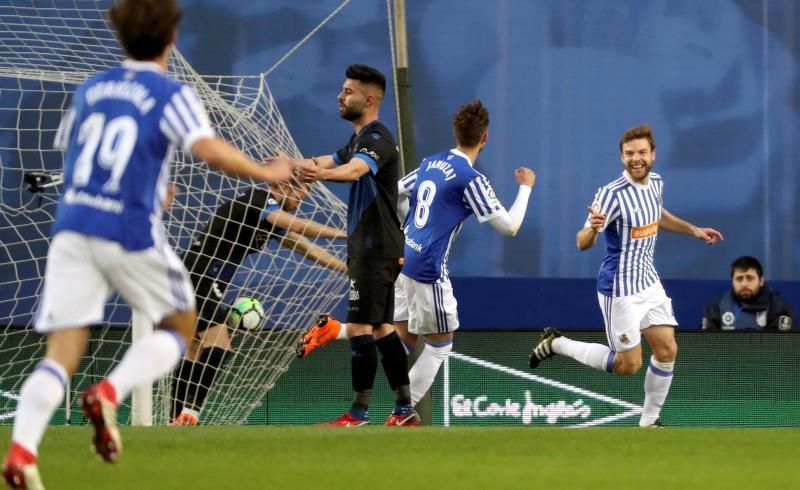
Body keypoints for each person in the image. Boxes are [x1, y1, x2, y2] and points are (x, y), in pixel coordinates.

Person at [0, 1, 291, 488]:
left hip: (73, 227)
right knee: (181, 324)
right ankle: (108, 393)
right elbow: (208, 149)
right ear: (172, 38)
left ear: (121, 36)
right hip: (128, 228)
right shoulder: (170, 93)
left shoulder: (92, 89)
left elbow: (86, 162)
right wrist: (266, 173)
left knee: (61, 352)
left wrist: (150, 189)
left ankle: (22, 452)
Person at [297, 100, 536, 410]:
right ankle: (403, 414)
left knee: (403, 338)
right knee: (439, 345)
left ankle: (335, 330)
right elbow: (510, 226)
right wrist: (525, 187)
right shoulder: (470, 178)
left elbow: (397, 191)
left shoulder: (431, 163)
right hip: (427, 268)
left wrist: (407, 229)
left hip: (403, 256)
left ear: (455, 131)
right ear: (485, 137)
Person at [529, 123, 723, 428]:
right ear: (621, 157)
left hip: (649, 281)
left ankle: (649, 421)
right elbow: (581, 242)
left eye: (642, 152)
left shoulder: (656, 182)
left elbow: (657, 215)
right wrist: (593, 228)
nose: (636, 158)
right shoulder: (611, 194)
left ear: (653, 154)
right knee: (627, 365)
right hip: (620, 289)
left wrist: (693, 230)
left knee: (667, 349)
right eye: (629, 153)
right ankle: (557, 343)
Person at [282, 64, 412, 427]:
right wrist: (291, 165)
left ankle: (358, 413)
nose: (340, 96)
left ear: (369, 100)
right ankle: (404, 409)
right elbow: (328, 160)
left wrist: (319, 175)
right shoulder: (360, 138)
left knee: (358, 328)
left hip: (374, 246)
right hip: (376, 246)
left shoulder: (377, 139)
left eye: (348, 92)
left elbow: (354, 170)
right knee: (382, 328)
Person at [171, 177, 347, 426]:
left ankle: (176, 418)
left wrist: (347, 269)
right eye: (299, 197)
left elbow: (307, 249)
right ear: (284, 187)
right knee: (219, 345)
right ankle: (191, 414)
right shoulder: (260, 201)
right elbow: (297, 225)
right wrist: (344, 234)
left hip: (197, 276)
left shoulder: (270, 220)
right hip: (199, 275)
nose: (298, 204)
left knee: (195, 349)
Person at [702, 256, 795, 331]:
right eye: (739, 279)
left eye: (750, 278)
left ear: (761, 281)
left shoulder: (778, 307)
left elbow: (780, 345)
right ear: (732, 281)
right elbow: (707, 342)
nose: (744, 284)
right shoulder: (717, 306)